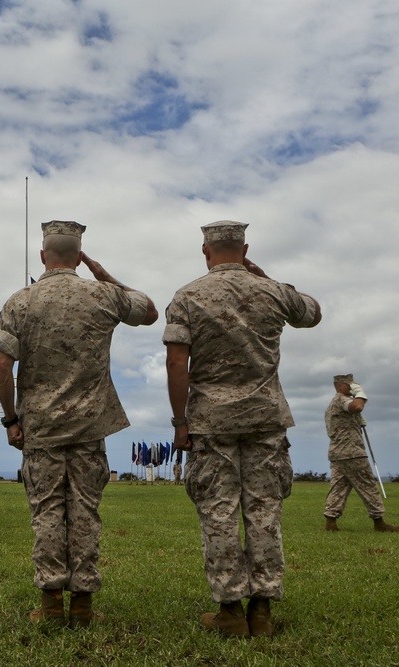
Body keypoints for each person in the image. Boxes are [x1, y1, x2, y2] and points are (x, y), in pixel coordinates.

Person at [0, 220, 157, 628]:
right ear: (80, 256)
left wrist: (12, 420)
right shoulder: (102, 295)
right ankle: (82, 606)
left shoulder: (19, 302)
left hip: (40, 428)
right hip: (88, 427)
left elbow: (1, 364)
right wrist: (104, 275)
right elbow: (150, 312)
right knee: (85, 511)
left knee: (47, 511)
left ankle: (50, 606)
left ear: (43, 256)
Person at [164, 220, 321, 638]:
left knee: (218, 513)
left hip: (211, 422)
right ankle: (263, 612)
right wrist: (268, 279)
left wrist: (181, 422)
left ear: (205, 250)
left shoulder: (187, 296)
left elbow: (177, 362)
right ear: (245, 247)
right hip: (266, 419)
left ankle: (230, 612)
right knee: (264, 511)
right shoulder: (272, 291)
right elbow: (312, 313)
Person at [323, 374, 398, 532]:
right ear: (341, 386)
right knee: (368, 486)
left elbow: (350, 415)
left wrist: (357, 420)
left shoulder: (333, 404)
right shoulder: (341, 399)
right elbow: (357, 407)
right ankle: (379, 523)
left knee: (339, 487)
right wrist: (361, 394)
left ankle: (330, 523)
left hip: (338, 452)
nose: (352, 387)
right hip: (352, 452)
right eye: (350, 385)